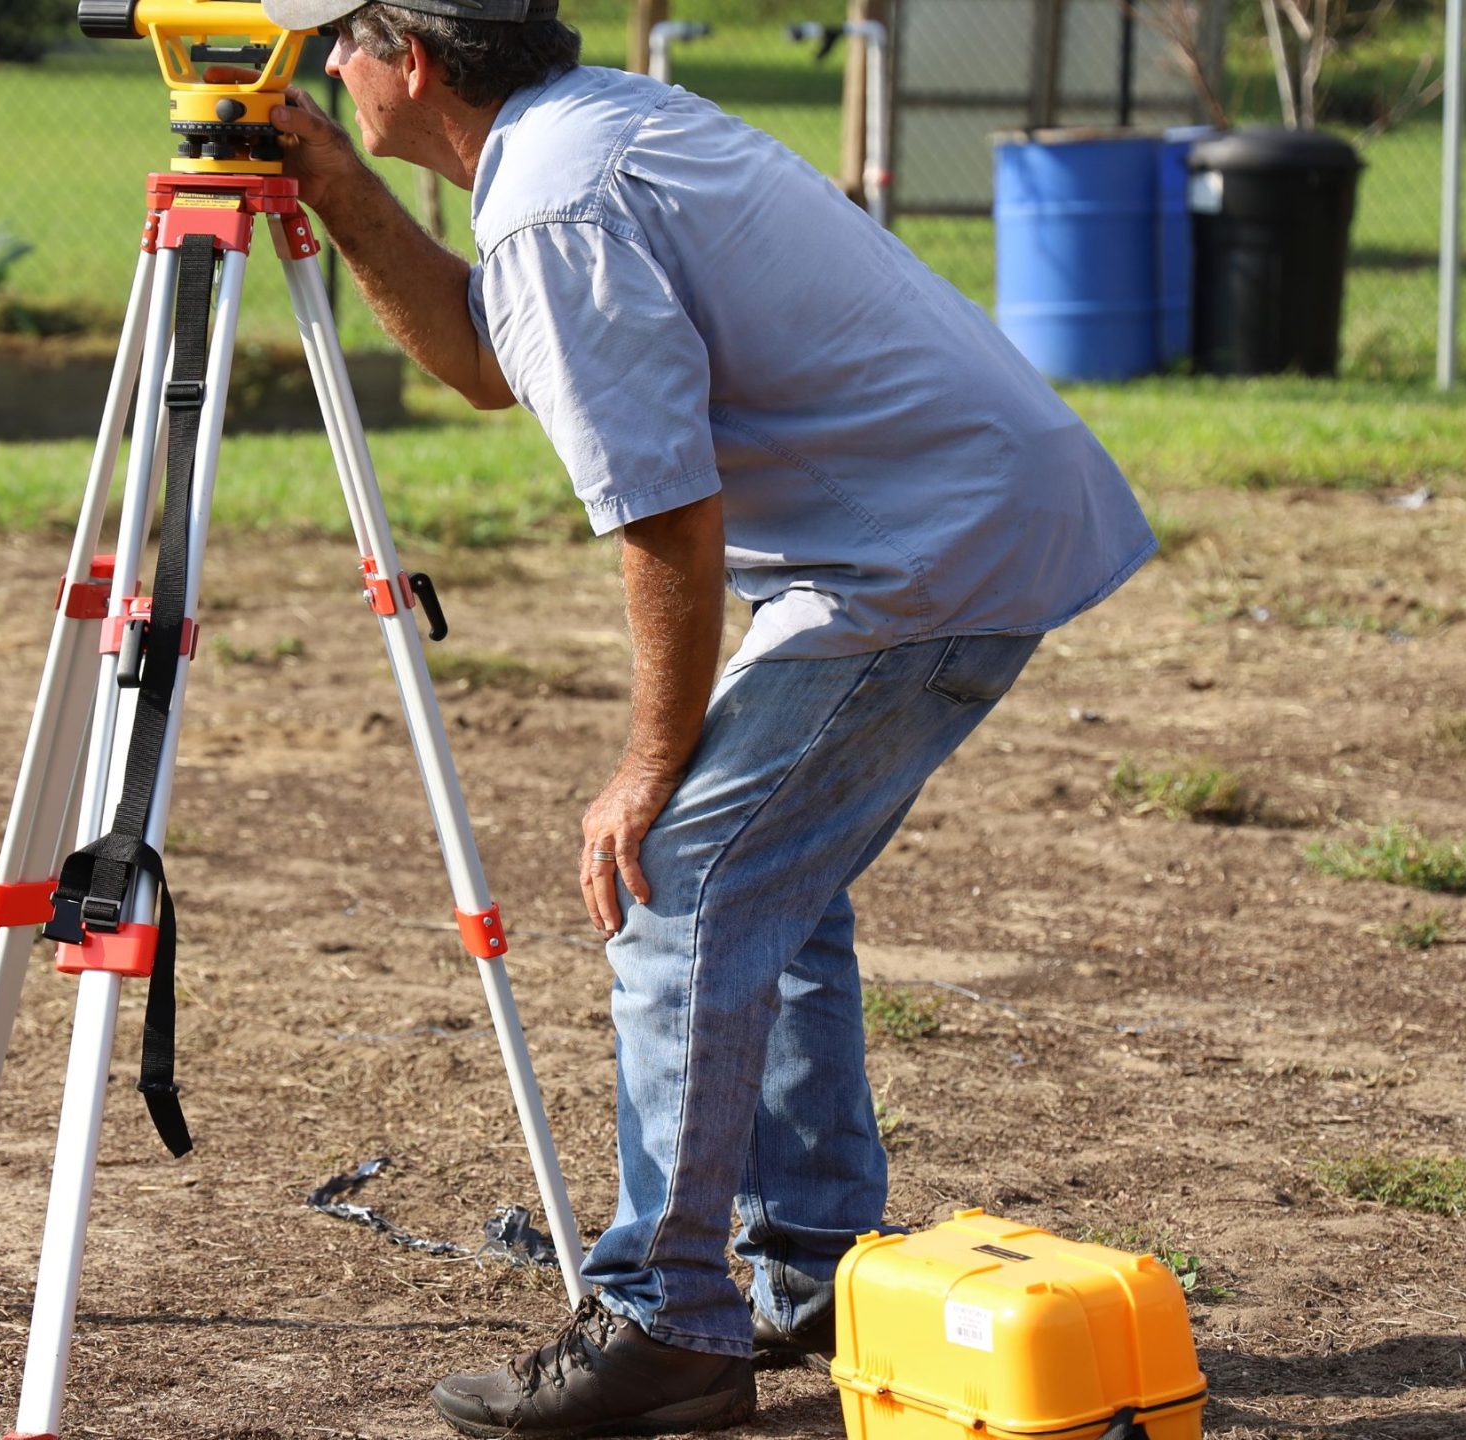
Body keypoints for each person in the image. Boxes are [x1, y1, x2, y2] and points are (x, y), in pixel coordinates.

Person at [254, 0, 1155, 1432]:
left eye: (332, 44)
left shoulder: (557, 200)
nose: (314, 69)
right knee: (768, 891)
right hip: (952, 523)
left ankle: (666, 1323)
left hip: (916, 558)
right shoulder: (589, 130)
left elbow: (665, 508)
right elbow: (493, 364)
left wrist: (645, 766)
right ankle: (807, 1271)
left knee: (679, 885)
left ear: (408, 63)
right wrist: (348, 195)